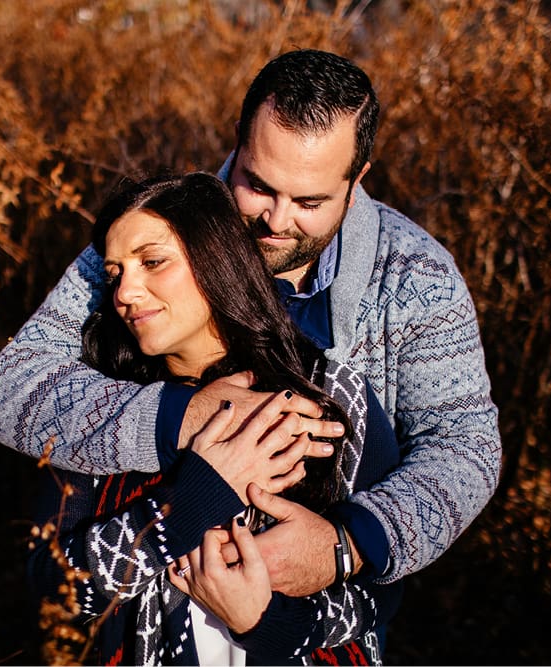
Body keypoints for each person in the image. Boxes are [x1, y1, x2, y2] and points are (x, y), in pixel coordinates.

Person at [0, 48, 502, 657]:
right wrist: (181, 416)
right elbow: (12, 386)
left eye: (310, 202)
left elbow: (465, 447)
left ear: (357, 178)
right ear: (239, 141)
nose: (276, 220)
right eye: (257, 184)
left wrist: (349, 543)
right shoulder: (161, 233)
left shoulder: (417, 280)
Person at [30, 172, 398, 665]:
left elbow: (383, 591)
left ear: (215, 258)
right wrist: (191, 502)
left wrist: (265, 621)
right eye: (116, 273)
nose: (125, 293)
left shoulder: (331, 394)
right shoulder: (105, 405)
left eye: (152, 262)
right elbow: (56, 596)